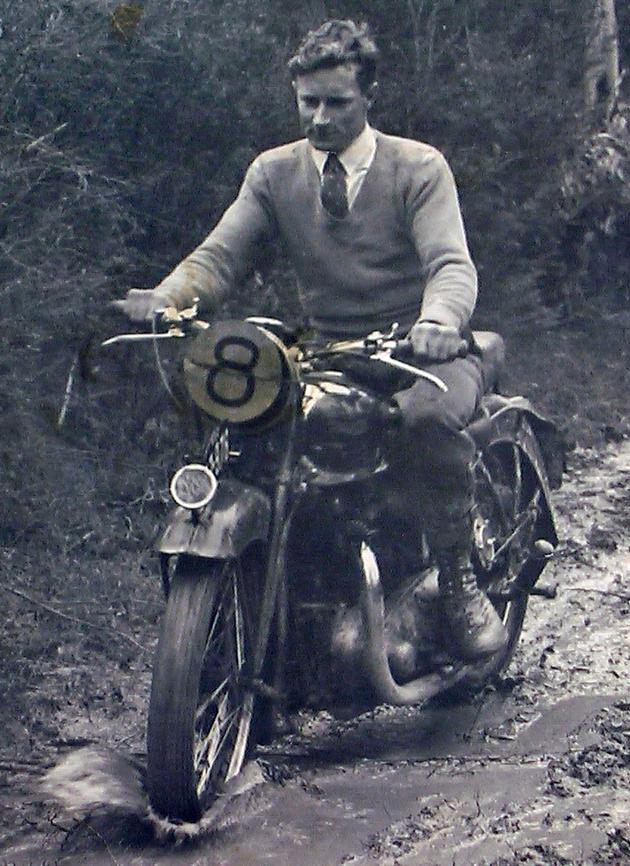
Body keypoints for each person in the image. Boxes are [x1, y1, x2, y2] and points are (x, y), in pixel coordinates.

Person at [114, 19, 507, 661]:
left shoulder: (418, 168)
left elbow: (450, 263)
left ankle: (459, 580)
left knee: (426, 421)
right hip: (329, 353)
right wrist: (167, 297)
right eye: (308, 102)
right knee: (262, 439)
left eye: (336, 103)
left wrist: (438, 321)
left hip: (421, 352)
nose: (320, 118)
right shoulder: (274, 175)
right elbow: (218, 258)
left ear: (368, 96)